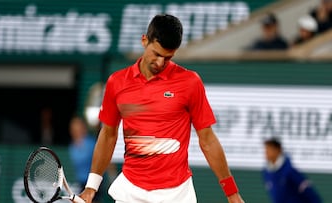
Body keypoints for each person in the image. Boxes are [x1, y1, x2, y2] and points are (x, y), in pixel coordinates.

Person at [78, 14, 244, 203]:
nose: (160, 63)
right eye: (156, 54)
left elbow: (208, 140)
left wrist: (232, 193)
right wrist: (91, 188)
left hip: (176, 194)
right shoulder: (117, 82)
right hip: (130, 192)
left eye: (167, 57)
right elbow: (108, 135)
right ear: (144, 40)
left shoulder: (190, 82)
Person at [262, 137, 322, 203]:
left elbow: (310, 193)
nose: (266, 152)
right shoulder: (266, 173)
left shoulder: (290, 171)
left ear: (278, 150)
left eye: (269, 149)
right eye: (266, 149)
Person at [68, 116, 102, 203]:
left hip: (94, 185)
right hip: (81, 184)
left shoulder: (92, 143)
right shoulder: (72, 147)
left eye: (78, 126)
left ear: (83, 128)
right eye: (73, 127)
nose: (75, 129)